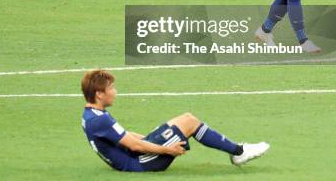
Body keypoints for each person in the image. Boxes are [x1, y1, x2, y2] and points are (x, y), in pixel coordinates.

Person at [81, 69, 270, 172]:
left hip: (135, 157)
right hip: (140, 163)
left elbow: (124, 136)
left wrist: (151, 138)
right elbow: (135, 146)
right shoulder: (100, 120)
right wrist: (167, 149)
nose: (115, 92)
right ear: (99, 94)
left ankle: (238, 150)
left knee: (186, 118)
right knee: (189, 122)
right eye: (111, 88)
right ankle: (239, 152)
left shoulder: (91, 115)